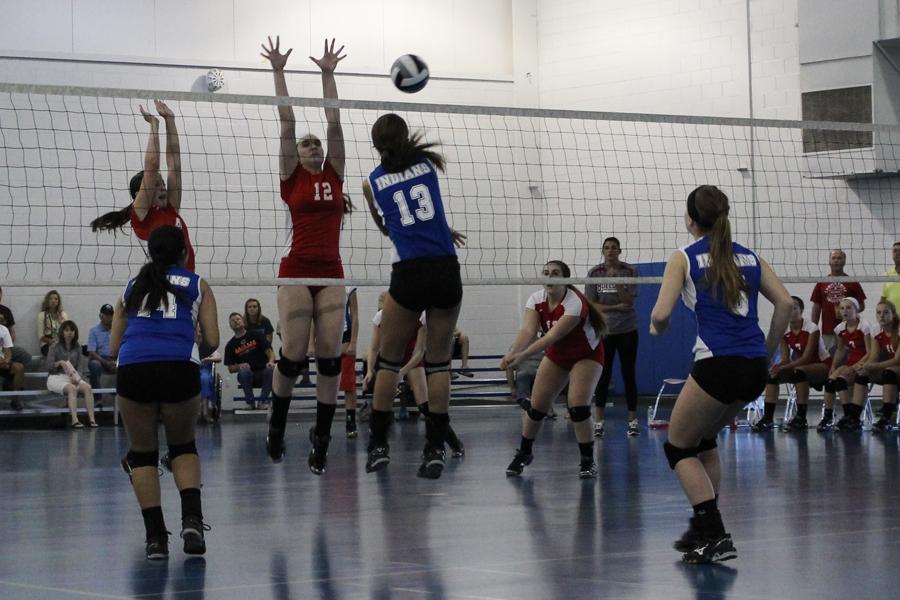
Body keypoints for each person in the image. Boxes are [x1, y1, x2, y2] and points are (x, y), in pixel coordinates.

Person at [650, 185, 792, 564]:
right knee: (705, 441)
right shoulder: (750, 257)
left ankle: (713, 534)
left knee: (679, 447)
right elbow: (786, 304)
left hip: (718, 363)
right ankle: (703, 530)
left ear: (690, 218)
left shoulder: (683, 257)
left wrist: (655, 328)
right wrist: (768, 351)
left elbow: (661, 315)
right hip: (753, 368)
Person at [260, 36, 349, 476]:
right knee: (294, 355)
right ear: (296, 155)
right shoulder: (290, 176)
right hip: (296, 270)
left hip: (331, 271)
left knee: (331, 355)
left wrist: (327, 74)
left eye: (316, 144)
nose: (313, 146)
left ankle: (322, 437)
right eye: (307, 144)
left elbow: (334, 124)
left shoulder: (334, 171)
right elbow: (287, 122)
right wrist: (279, 70)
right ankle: (276, 429)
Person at [361, 112, 466, 478]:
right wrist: (444, 231)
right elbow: (428, 211)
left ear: (375, 145)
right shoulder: (426, 164)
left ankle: (377, 446)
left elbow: (388, 228)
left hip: (409, 271)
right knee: (438, 363)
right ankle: (435, 448)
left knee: (388, 362)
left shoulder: (371, 182)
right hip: (445, 267)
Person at [109, 225, 219, 560]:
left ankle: (156, 539)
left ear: (150, 253)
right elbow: (213, 342)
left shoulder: (131, 287)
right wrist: (191, 336)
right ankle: (192, 521)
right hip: (178, 367)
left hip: (134, 368)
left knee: (142, 454)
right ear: (183, 253)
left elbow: (114, 347)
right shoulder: (197, 283)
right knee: (183, 447)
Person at [502, 260, 605, 479]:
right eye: (546, 272)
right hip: (558, 354)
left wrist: (522, 355)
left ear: (565, 279)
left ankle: (587, 460)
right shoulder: (536, 299)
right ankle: (524, 453)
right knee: (536, 408)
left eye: (556, 273)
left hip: (586, 354)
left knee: (578, 408)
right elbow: (528, 330)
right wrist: (512, 352)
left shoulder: (574, 303)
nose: (550, 277)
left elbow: (551, 336)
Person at [91, 100, 196, 272]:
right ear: (140, 193)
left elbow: (174, 164)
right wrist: (154, 125)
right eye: (156, 184)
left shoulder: (171, 208)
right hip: (161, 285)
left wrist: (170, 120)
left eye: (162, 183)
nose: (163, 187)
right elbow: (152, 166)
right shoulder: (140, 213)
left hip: (186, 282)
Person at [362, 304, 465, 456]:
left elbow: (419, 352)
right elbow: (373, 348)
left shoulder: (421, 316)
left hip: (412, 360)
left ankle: (454, 443)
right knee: (381, 405)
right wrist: (370, 371)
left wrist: (402, 372)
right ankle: (377, 445)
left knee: (426, 408)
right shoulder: (381, 317)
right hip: (391, 361)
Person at [585, 236, 640, 437]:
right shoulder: (594, 273)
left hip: (627, 330)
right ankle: (598, 422)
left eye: (613, 247)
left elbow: (629, 302)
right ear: (603, 251)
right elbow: (591, 305)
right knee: (603, 375)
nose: (610, 251)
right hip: (605, 331)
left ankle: (632, 421)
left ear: (619, 250)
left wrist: (617, 282)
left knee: (628, 374)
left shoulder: (630, 271)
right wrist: (615, 307)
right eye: (606, 248)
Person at [753, 296, 830, 432]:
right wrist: (776, 367)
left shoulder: (812, 328)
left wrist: (783, 367)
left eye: (794, 308)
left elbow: (806, 358)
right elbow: (785, 359)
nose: (791, 311)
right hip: (798, 366)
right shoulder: (785, 331)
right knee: (773, 376)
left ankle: (801, 417)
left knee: (798, 372)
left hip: (821, 365)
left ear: (801, 311)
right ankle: (768, 418)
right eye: (789, 308)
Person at [817, 297, 874, 431]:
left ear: (856, 310)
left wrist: (854, 368)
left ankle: (850, 416)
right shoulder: (839, 328)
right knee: (830, 382)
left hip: (864, 362)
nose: (845, 311)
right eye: (842, 308)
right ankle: (828, 416)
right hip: (850, 362)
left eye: (849, 308)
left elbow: (870, 352)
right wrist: (833, 366)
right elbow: (841, 349)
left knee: (841, 381)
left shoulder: (864, 326)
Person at [855, 299, 900, 431]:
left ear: (894, 315)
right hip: (891, 368)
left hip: (896, 366)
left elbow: (897, 360)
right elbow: (874, 356)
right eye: (878, 313)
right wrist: (864, 367)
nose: (881, 316)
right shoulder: (876, 329)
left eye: (886, 313)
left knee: (889, 373)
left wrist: (872, 367)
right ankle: (854, 416)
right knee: (862, 374)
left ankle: (886, 417)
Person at [810, 249, 866, 351]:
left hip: (849, 330)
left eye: (839, 258)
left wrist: (848, 312)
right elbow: (816, 306)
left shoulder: (852, 281)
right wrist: (813, 328)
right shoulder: (822, 282)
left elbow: (861, 305)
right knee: (830, 358)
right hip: (828, 330)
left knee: (847, 357)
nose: (836, 260)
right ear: (829, 261)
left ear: (844, 261)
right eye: (834, 258)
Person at [46, 320, 97, 428]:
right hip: (56, 377)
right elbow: (49, 366)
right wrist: (59, 363)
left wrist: (77, 377)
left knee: (87, 387)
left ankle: (92, 419)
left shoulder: (78, 347)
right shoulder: (54, 346)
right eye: (67, 330)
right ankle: (74, 420)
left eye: (72, 330)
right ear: (62, 332)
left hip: (72, 377)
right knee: (71, 389)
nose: (70, 333)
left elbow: (80, 366)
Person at [223, 313, 275, 410]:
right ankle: (250, 402)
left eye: (238, 319)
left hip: (262, 372)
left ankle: (262, 401)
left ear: (243, 321)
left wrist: (271, 362)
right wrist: (239, 366)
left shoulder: (256, 335)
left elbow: (270, 352)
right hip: (246, 375)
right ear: (230, 325)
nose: (236, 321)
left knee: (271, 370)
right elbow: (230, 368)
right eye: (232, 320)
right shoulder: (230, 345)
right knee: (244, 371)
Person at [340, 287, 360, 438]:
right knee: (326, 381)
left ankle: (350, 421)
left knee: (348, 382)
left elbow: (355, 316)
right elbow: (315, 317)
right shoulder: (318, 282)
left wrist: (353, 342)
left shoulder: (348, 287)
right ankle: (322, 423)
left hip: (345, 335)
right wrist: (312, 344)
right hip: (327, 336)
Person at [0, 286, 33, 370]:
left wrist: (7, 346)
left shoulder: (6, 311)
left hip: (5, 345)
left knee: (26, 356)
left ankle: (10, 375)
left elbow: (12, 332)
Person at [87, 304, 118, 395]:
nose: (110, 318)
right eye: (107, 315)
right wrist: (106, 362)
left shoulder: (118, 330)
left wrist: (117, 361)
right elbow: (92, 352)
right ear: (101, 316)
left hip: (115, 358)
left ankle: (121, 398)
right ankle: (97, 398)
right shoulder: (94, 331)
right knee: (95, 365)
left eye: (111, 315)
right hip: (100, 359)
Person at [0, 318, 25, 406]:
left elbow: (8, 350)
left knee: (19, 367)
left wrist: (6, 361)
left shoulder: (3, 329)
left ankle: (15, 398)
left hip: (2, 362)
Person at [37, 290, 68, 356]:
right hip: (47, 344)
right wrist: (51, 341)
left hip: (61, 343)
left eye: (56, 299)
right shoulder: (42, 315)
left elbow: (67, 332)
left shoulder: (63, 315)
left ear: (58, 301)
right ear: (47, 301)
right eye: (50, 299)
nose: (53, 301)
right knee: (57, 352)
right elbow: (41, 336)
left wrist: (61, 321)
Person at [879, 242, 900, 309]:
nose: (898, 253)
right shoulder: (887, 275)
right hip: (893, 318)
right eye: (895, 251)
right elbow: (883, 299)